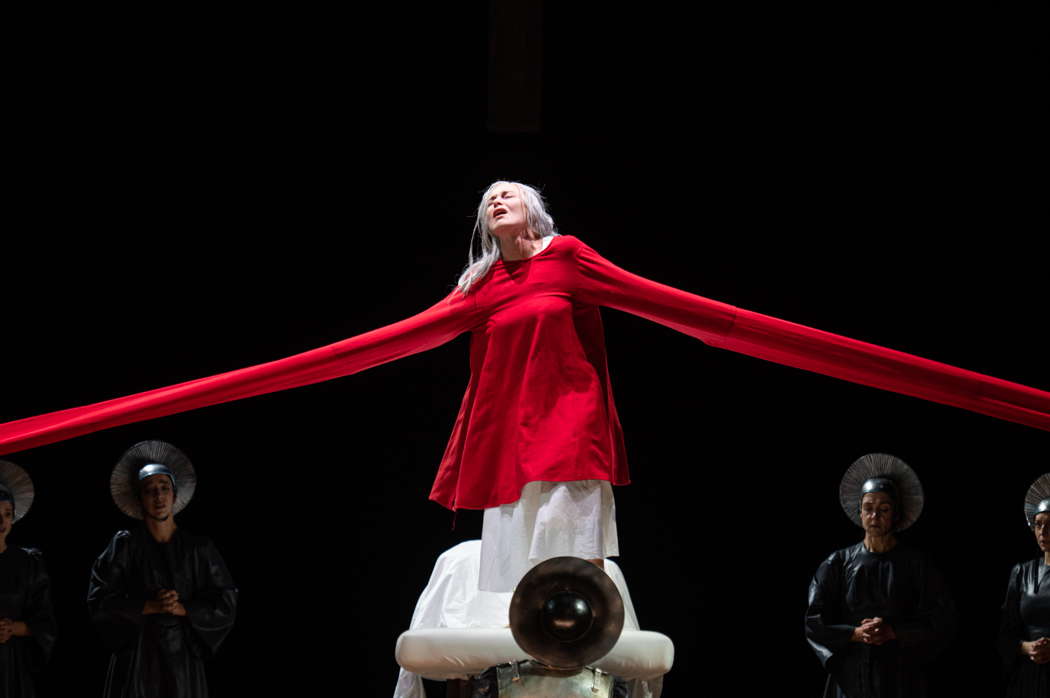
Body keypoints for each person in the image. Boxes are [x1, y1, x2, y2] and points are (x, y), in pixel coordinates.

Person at [87, 440, 237, 698]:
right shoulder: (124, 546)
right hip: (137, 660)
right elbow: (99, 601)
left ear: (174, 494)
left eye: (164, 488)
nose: (158, 496)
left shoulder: (198, 548)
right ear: (139, 498)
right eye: (149, 490)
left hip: (182, 663)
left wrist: (183, 608)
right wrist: (150, 606)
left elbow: (226, 600)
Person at [805, 453, 956, 697]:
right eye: (869, 508)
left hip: (900, 677)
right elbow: (814, 622)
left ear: (896, 514)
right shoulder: (837, 563)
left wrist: (894, 631)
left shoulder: (917, 565)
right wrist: (854, 634)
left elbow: (942, 620)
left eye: (883, 509)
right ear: (860, 512)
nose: (875, 515)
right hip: (851, 677)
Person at [0, 460, 56, 698]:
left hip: (13, 667)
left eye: (6, 514)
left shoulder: (28, 563)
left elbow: (45, 622)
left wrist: (12, 628)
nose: (1, 522)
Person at [998, 473, 1050, 696]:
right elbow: (1004, 633)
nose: (1043, 532)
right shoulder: (1022, 572)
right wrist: (1025, 647)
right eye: (1039, 525)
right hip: (1028, 678)